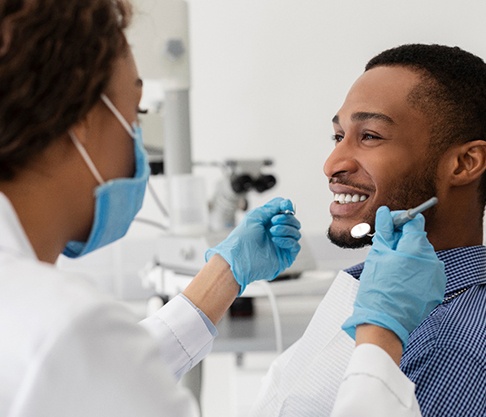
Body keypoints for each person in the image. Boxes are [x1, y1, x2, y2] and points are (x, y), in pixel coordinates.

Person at [0, 1, 302, 416]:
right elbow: (89, 371)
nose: (138, 139)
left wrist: (224, 275)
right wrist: (377, 342)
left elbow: (95, 385)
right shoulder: (65, 329)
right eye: (135, 114)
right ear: (82, 118)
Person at [250, 44, 486, 417]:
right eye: (338, 136)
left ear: (464, 164)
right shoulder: (377, 297)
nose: (332, 164)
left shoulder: (448, 347)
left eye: (370, 136)